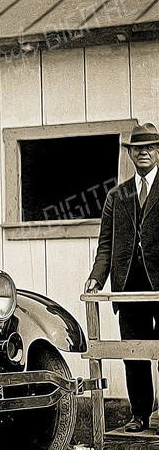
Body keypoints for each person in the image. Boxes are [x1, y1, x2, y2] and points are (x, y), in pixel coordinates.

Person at [86, 121, 159, 432]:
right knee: (134, 353)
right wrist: (95, 279)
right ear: (130, 155)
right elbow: (106, 244)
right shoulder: (117, 195)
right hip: (128, 287)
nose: (143, 153)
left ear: (158, 152)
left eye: (149, 148)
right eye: (137, 149)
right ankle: (140, 416)